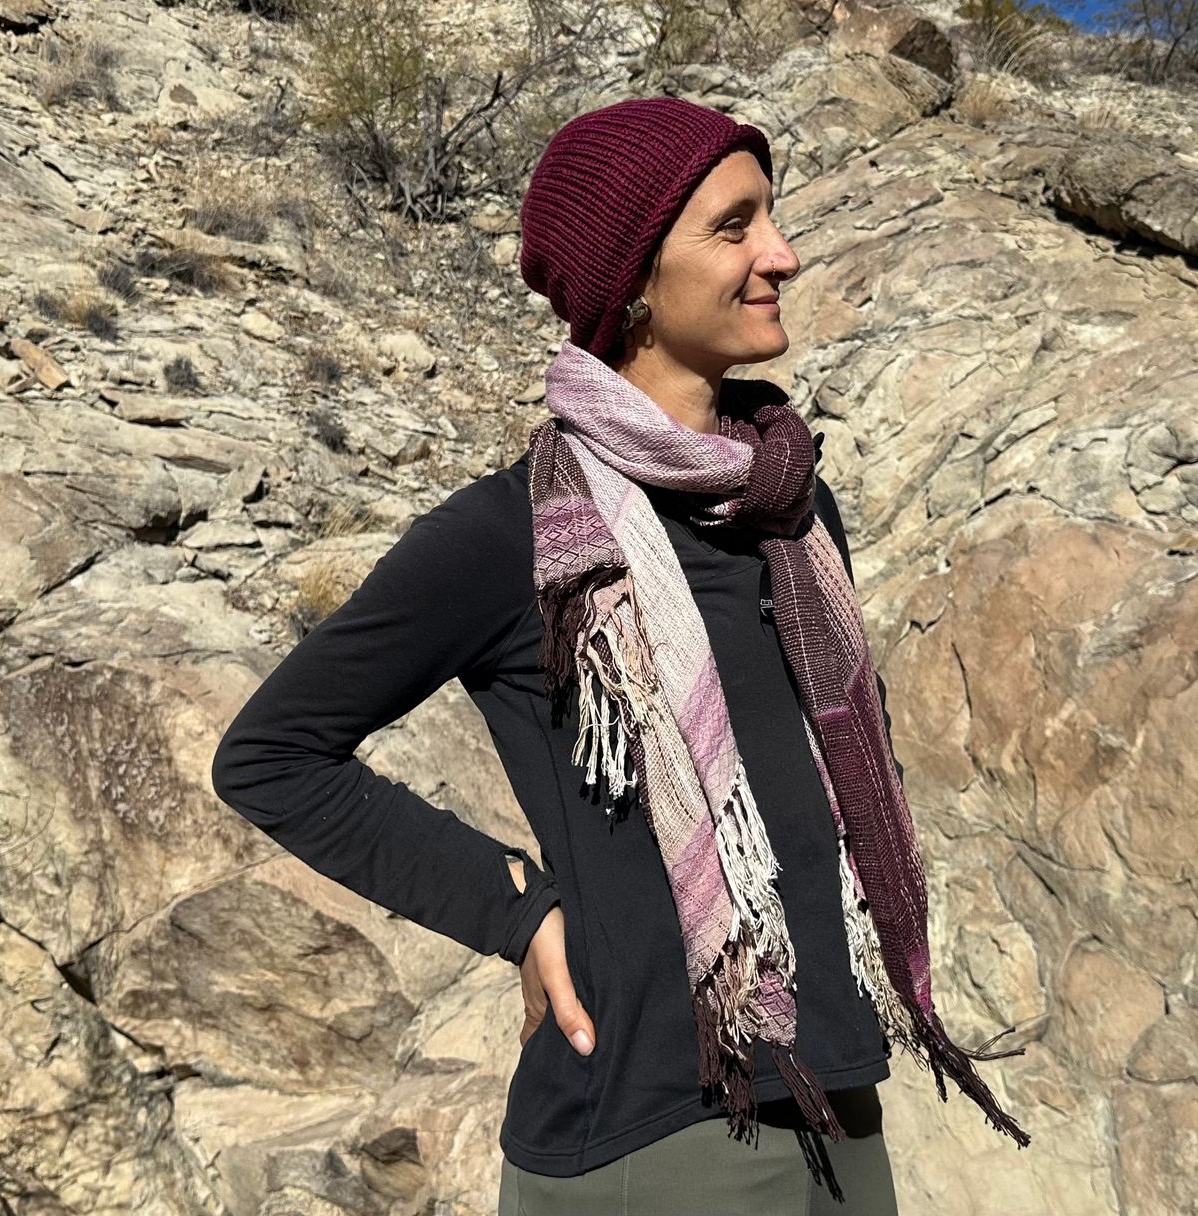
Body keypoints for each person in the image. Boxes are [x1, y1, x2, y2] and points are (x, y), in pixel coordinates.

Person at [211, 96, 1029, 1214]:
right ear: (634, 279)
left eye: (770, 219)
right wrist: (514, 909)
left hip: (836, 1099)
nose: (778, 255)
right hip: (654, 1137)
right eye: (732, 227)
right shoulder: (514, 537)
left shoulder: (789, 508)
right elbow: (272, 756)